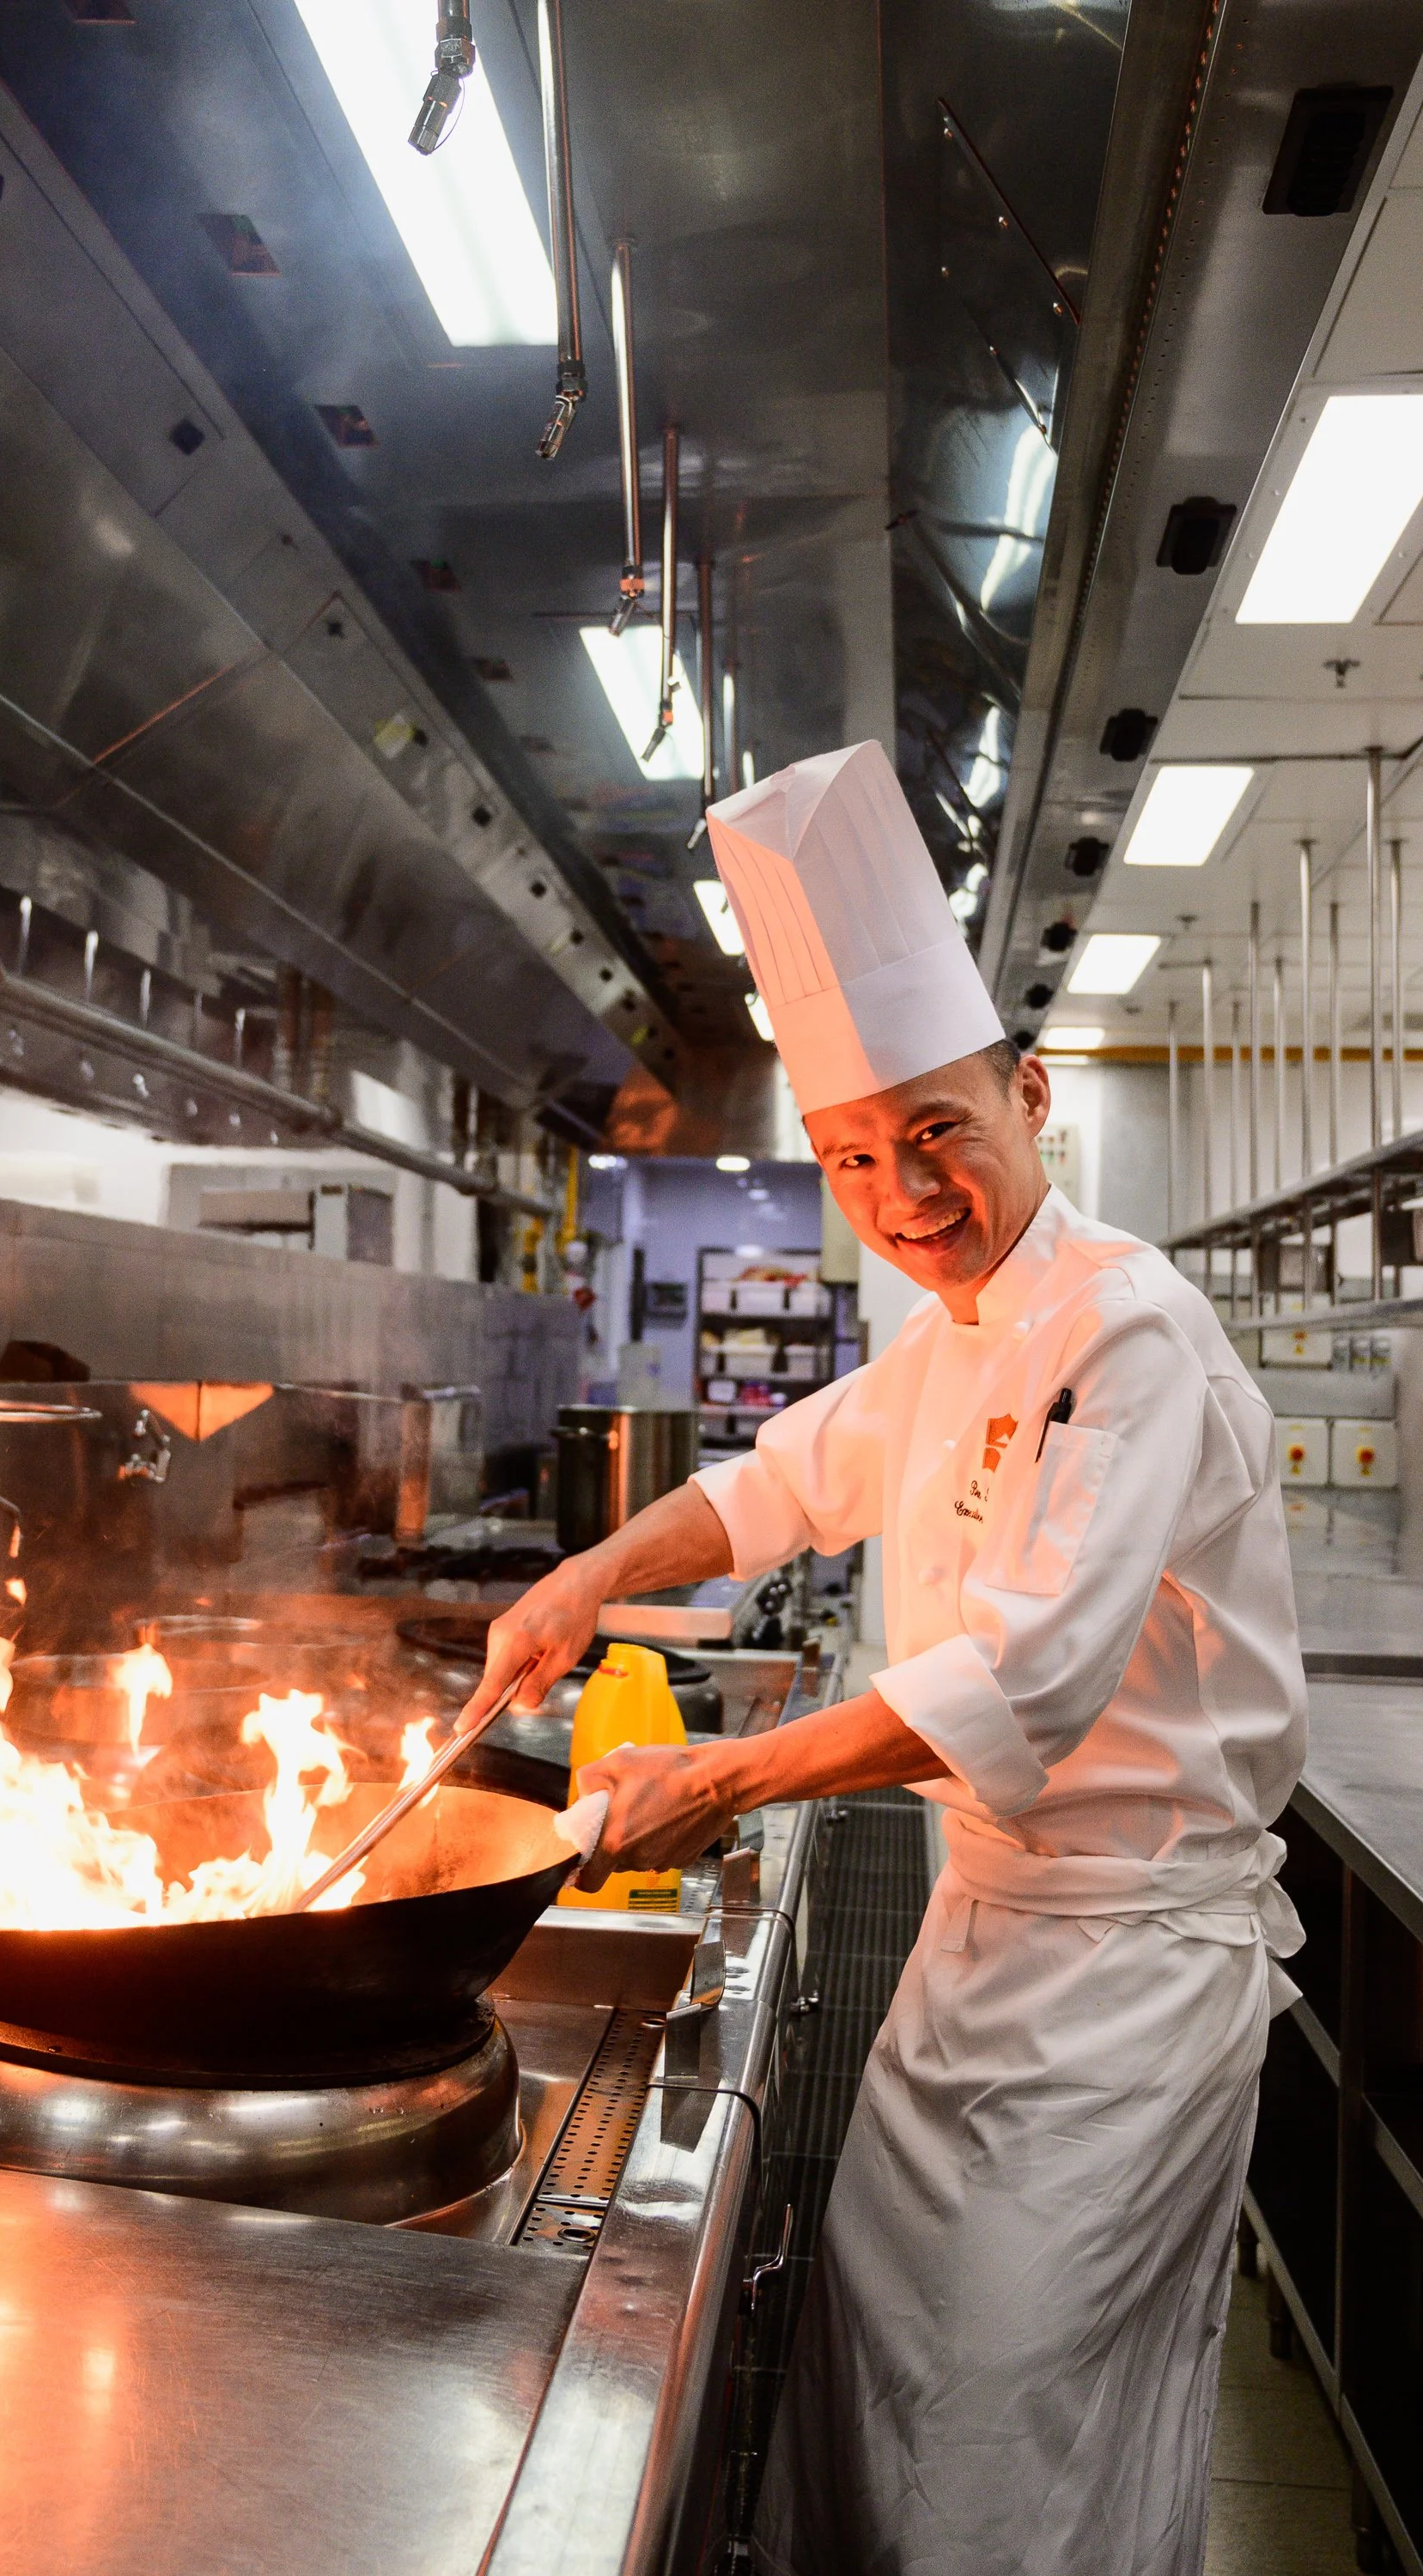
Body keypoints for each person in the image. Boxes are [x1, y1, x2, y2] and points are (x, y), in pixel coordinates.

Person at [464, 740, 1307, 2576]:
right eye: (853, 1154)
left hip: (1128, 1981)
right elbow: (777, 1488)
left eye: (938, 1130)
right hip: (978, 1945)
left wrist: (716, 1777)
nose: (901, 1187)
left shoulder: (1123, 1326)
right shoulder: (952, 1333)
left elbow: (1028, 1680)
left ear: (1027, 1096)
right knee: (885, 2400)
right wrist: (584, 1579)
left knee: (1012, 2443)